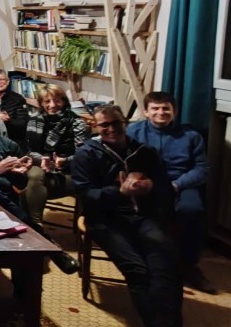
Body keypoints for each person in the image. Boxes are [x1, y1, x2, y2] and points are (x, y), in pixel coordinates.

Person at [74, 105, 181, 326]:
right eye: (105, 125)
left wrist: (151, 186)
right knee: (137, 269)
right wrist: (119, 192)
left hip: (146, 216)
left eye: (116, 123)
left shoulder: (145, 152)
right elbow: (86, 195)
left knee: (164, 265)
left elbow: (167, 191)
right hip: (106, 219)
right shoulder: (86, 153)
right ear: (95, 126)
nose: (112, 128)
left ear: (125, 123)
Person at [0, 99, 79, 278]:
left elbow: (21, 184)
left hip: (5, 200)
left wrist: (19, 172)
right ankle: (50, 245)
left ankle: (23, 287)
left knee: (17, 234)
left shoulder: (9, 145)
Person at [127, 91, 214, 294]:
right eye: (155, 108)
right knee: (141, 213)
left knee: (192, 211)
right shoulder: (133, 131)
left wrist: (177, 185)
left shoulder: (191, 136)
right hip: (147, 183)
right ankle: (144, 263)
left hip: (180, 184)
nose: (161, 112)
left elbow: (202, 169)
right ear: (146, 112)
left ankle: (189, 266)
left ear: (174, 111)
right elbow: (124, 159)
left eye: (166, 108)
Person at [20, 84, 89, 228]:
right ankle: (37, 224)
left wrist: (64, 161)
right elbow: (29, 150)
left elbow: (83, 156)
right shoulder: (34, 120)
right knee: (35, 176)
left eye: (57, 100)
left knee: (28, 189)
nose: (52, 105)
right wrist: (43, 160)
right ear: (41, 103)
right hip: (40, 165)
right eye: (47, 101)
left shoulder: (76, 122)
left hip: (67, 171)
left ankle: (35, 226)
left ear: (64, 101)